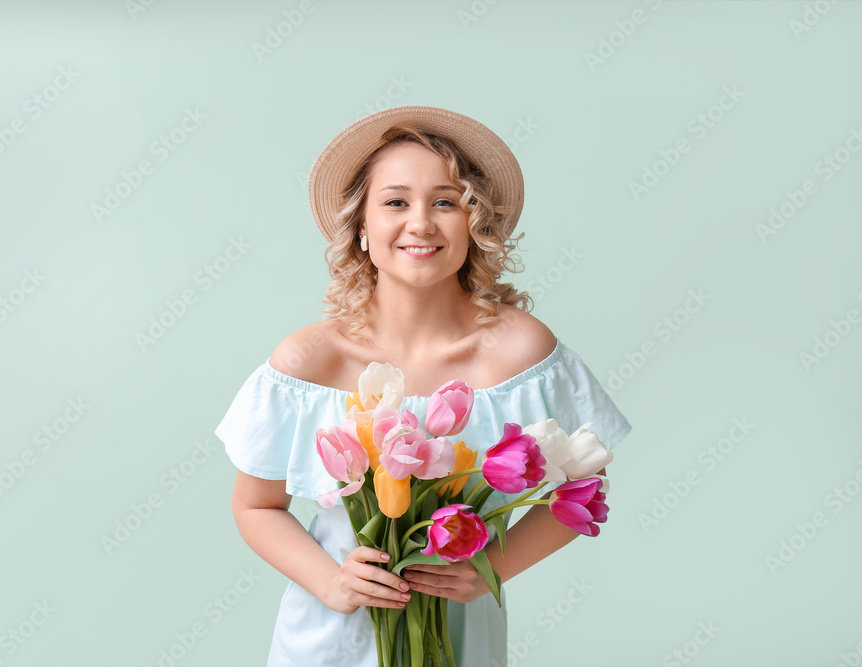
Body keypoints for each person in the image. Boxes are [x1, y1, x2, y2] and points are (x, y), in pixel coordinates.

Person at [215, 105, 632, 666]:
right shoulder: (308, 362)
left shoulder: (521, 353)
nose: (421, 223)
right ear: (361, 227)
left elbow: (583, 487)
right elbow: (256, 506)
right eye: (394, 202)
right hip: (328, 643)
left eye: (445, 201)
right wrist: (331, 581)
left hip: (465, 641)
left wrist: (491, 572)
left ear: (475, 223)